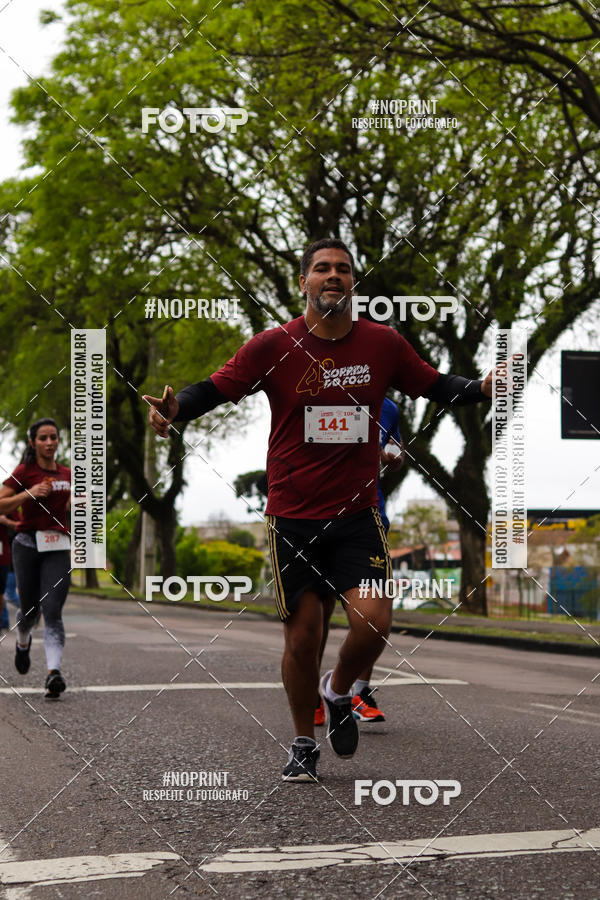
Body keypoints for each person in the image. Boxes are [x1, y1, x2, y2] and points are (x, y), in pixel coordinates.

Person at [144, 238, 494, 782]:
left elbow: (433, 384)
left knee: (375, 622)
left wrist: (480, 388)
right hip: (294, 517)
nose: (334, 276)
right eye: (323, 269)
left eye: (344, 269)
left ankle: (337, 691)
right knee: (303, 638)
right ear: (304, 281)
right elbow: (215, 388)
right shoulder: (273, 345)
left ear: (354, 282)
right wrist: (176, 410)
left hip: (357, 515)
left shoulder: (383, 344)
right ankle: (303, 742)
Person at [314, 396, 404, 727]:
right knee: (318, 612)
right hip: (318, 516)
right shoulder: (324, 395)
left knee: (377, 613)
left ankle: (358, 693)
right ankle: (313, 695)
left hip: (370, 517)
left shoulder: (391, 408)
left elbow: (396, 449)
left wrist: (392, 458)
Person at [0, 419, 71, 698]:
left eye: (53, 437)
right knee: (30, 611)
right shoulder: (24, 471)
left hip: (57, 545)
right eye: (43, 438)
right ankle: (22, 641)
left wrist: (79, 503)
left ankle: (54, 673)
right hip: (27, 545)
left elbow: (69, 505)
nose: (49, 442)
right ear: (33, 443)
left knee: (52, 610)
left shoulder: (67, 473)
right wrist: (29, 493)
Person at [0, 514, 21, 634]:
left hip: (7, 561)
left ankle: (31, 609)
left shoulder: (7, 509)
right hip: (7, 559)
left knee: (6, 594)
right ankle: (4, 623)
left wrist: (7, 522)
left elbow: (22, 525)